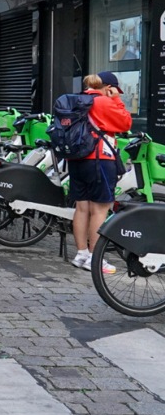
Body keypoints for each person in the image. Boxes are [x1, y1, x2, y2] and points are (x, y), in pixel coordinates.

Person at [70, 72, 132, 273]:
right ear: (108, 87)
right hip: (100, 160)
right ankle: (95, 259)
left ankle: (81, 255)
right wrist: (116, 100)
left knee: (82, 208)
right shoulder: (104, 102)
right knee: (100, 209)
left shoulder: (77, 98)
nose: (116, 94)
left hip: (76, 159)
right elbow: (126, 123)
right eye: (114, 91)